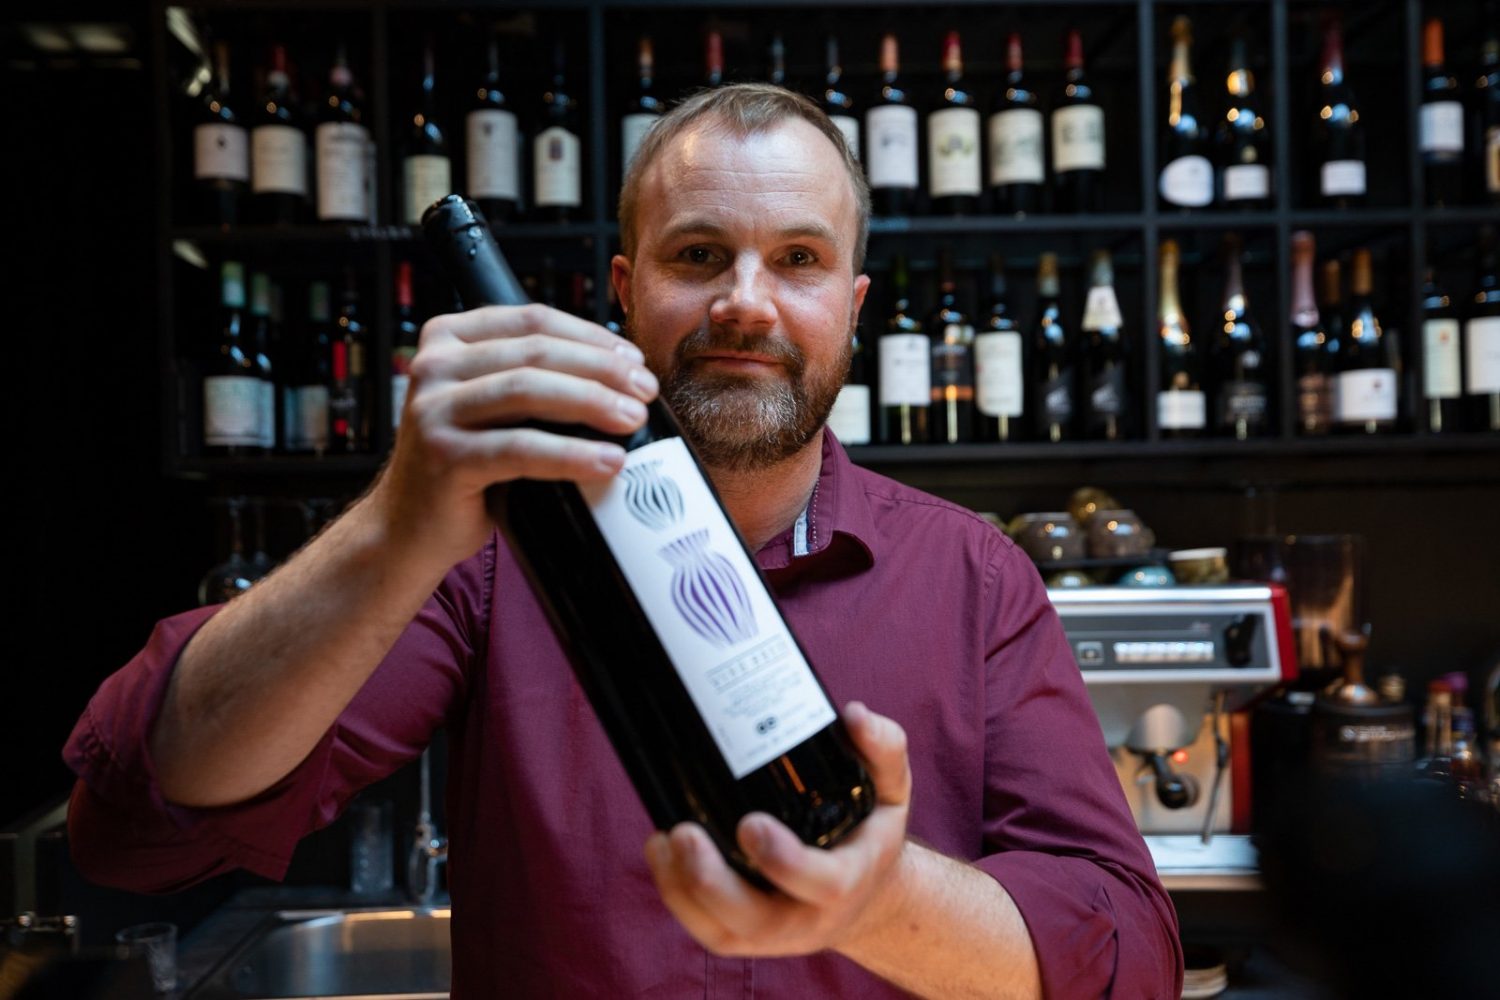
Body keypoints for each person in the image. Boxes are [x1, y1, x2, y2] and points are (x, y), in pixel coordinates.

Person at [64, 84, 1182, 999]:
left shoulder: (976, 579)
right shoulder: (488, 560)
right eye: (699, 254)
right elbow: (141, 822)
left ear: (852, 306)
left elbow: (1126, 950)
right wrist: (396, 529)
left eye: (797, 260)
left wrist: (875, 902)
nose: (746, 303)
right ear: (625, 292)